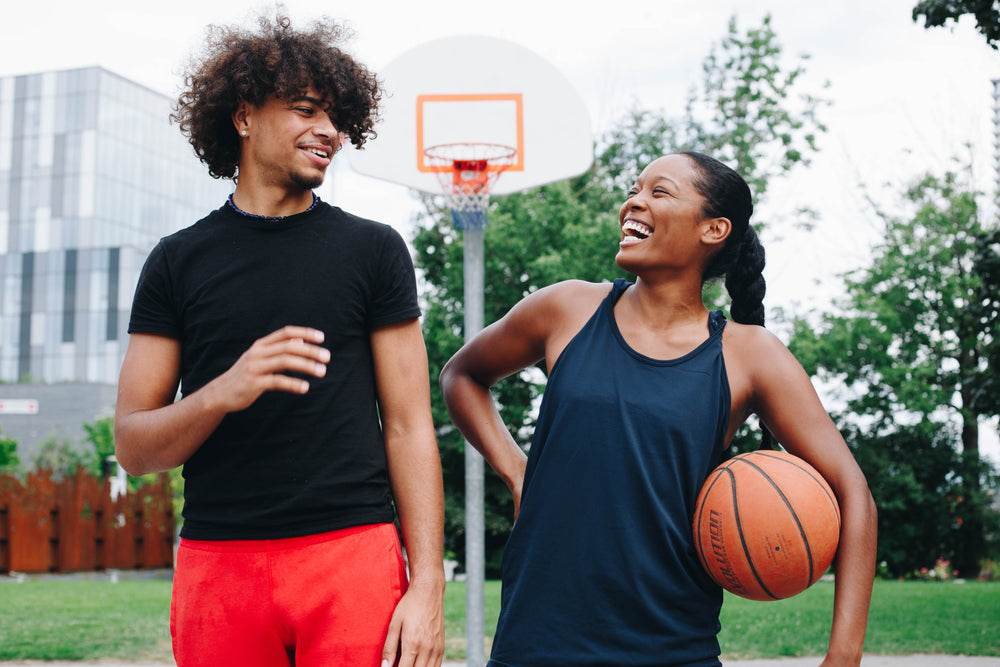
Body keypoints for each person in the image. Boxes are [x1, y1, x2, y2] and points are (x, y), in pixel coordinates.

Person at [440, 152, 878, 667]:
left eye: (659, 192)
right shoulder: (568, 308)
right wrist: (516, 472)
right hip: (535, 642)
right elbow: (462, 375)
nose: (634, 201)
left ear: (713, 228)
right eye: (634, 188)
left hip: (672, 648)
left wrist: (843, 656)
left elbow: (855, 495)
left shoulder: (749, 354)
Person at [114, 13, 445, 667]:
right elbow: (132, 444)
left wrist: (428, 583)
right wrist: (222, 393)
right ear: (242, 116)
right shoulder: (177, 261)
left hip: (353, 552)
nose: (329, 132)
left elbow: (409, 426)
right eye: (306, 110)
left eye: (337, 118)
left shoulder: (373, 251)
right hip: (219, 563)